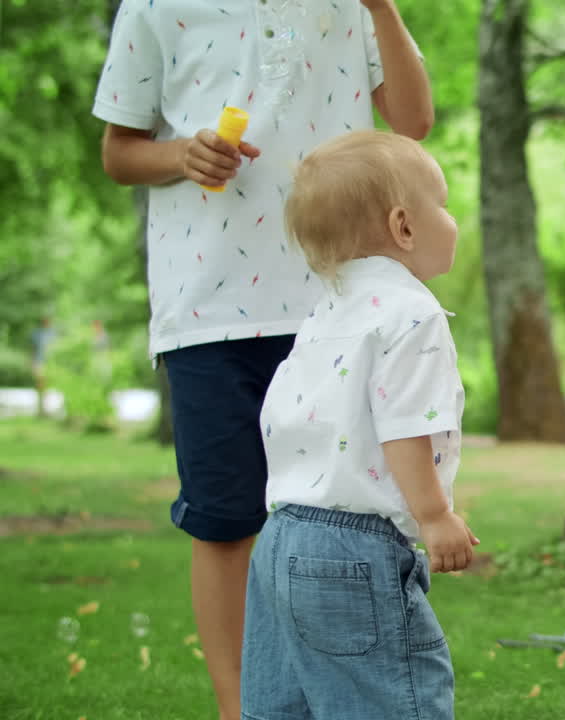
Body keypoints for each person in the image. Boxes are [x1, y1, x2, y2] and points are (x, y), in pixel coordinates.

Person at [90, 2, 433, 718]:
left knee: (352, 507)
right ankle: (237, 709)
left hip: (341, 298)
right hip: (206, 304)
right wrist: (181, 153)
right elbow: (120, 150)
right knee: (224, 513)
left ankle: (341, 692)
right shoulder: (153, 6)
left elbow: (413, 120)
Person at [243, 129, 475, 719]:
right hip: (352, 548)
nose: (451, 219)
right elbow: (403, 425)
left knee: (285, 706)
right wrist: (434, 514)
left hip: (279, 539)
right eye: (442, 204)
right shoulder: (412, 313)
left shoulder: (325, 314)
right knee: (391, 699)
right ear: (404, 226)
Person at [30, 315, 55, 418]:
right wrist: (32, 362)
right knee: (40, 385)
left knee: (48, 386)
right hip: (39, 361)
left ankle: (47, 409)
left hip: (51, 363)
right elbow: (33, 349)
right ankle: (41, 409)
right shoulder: (37, 334)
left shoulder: (53, 334)